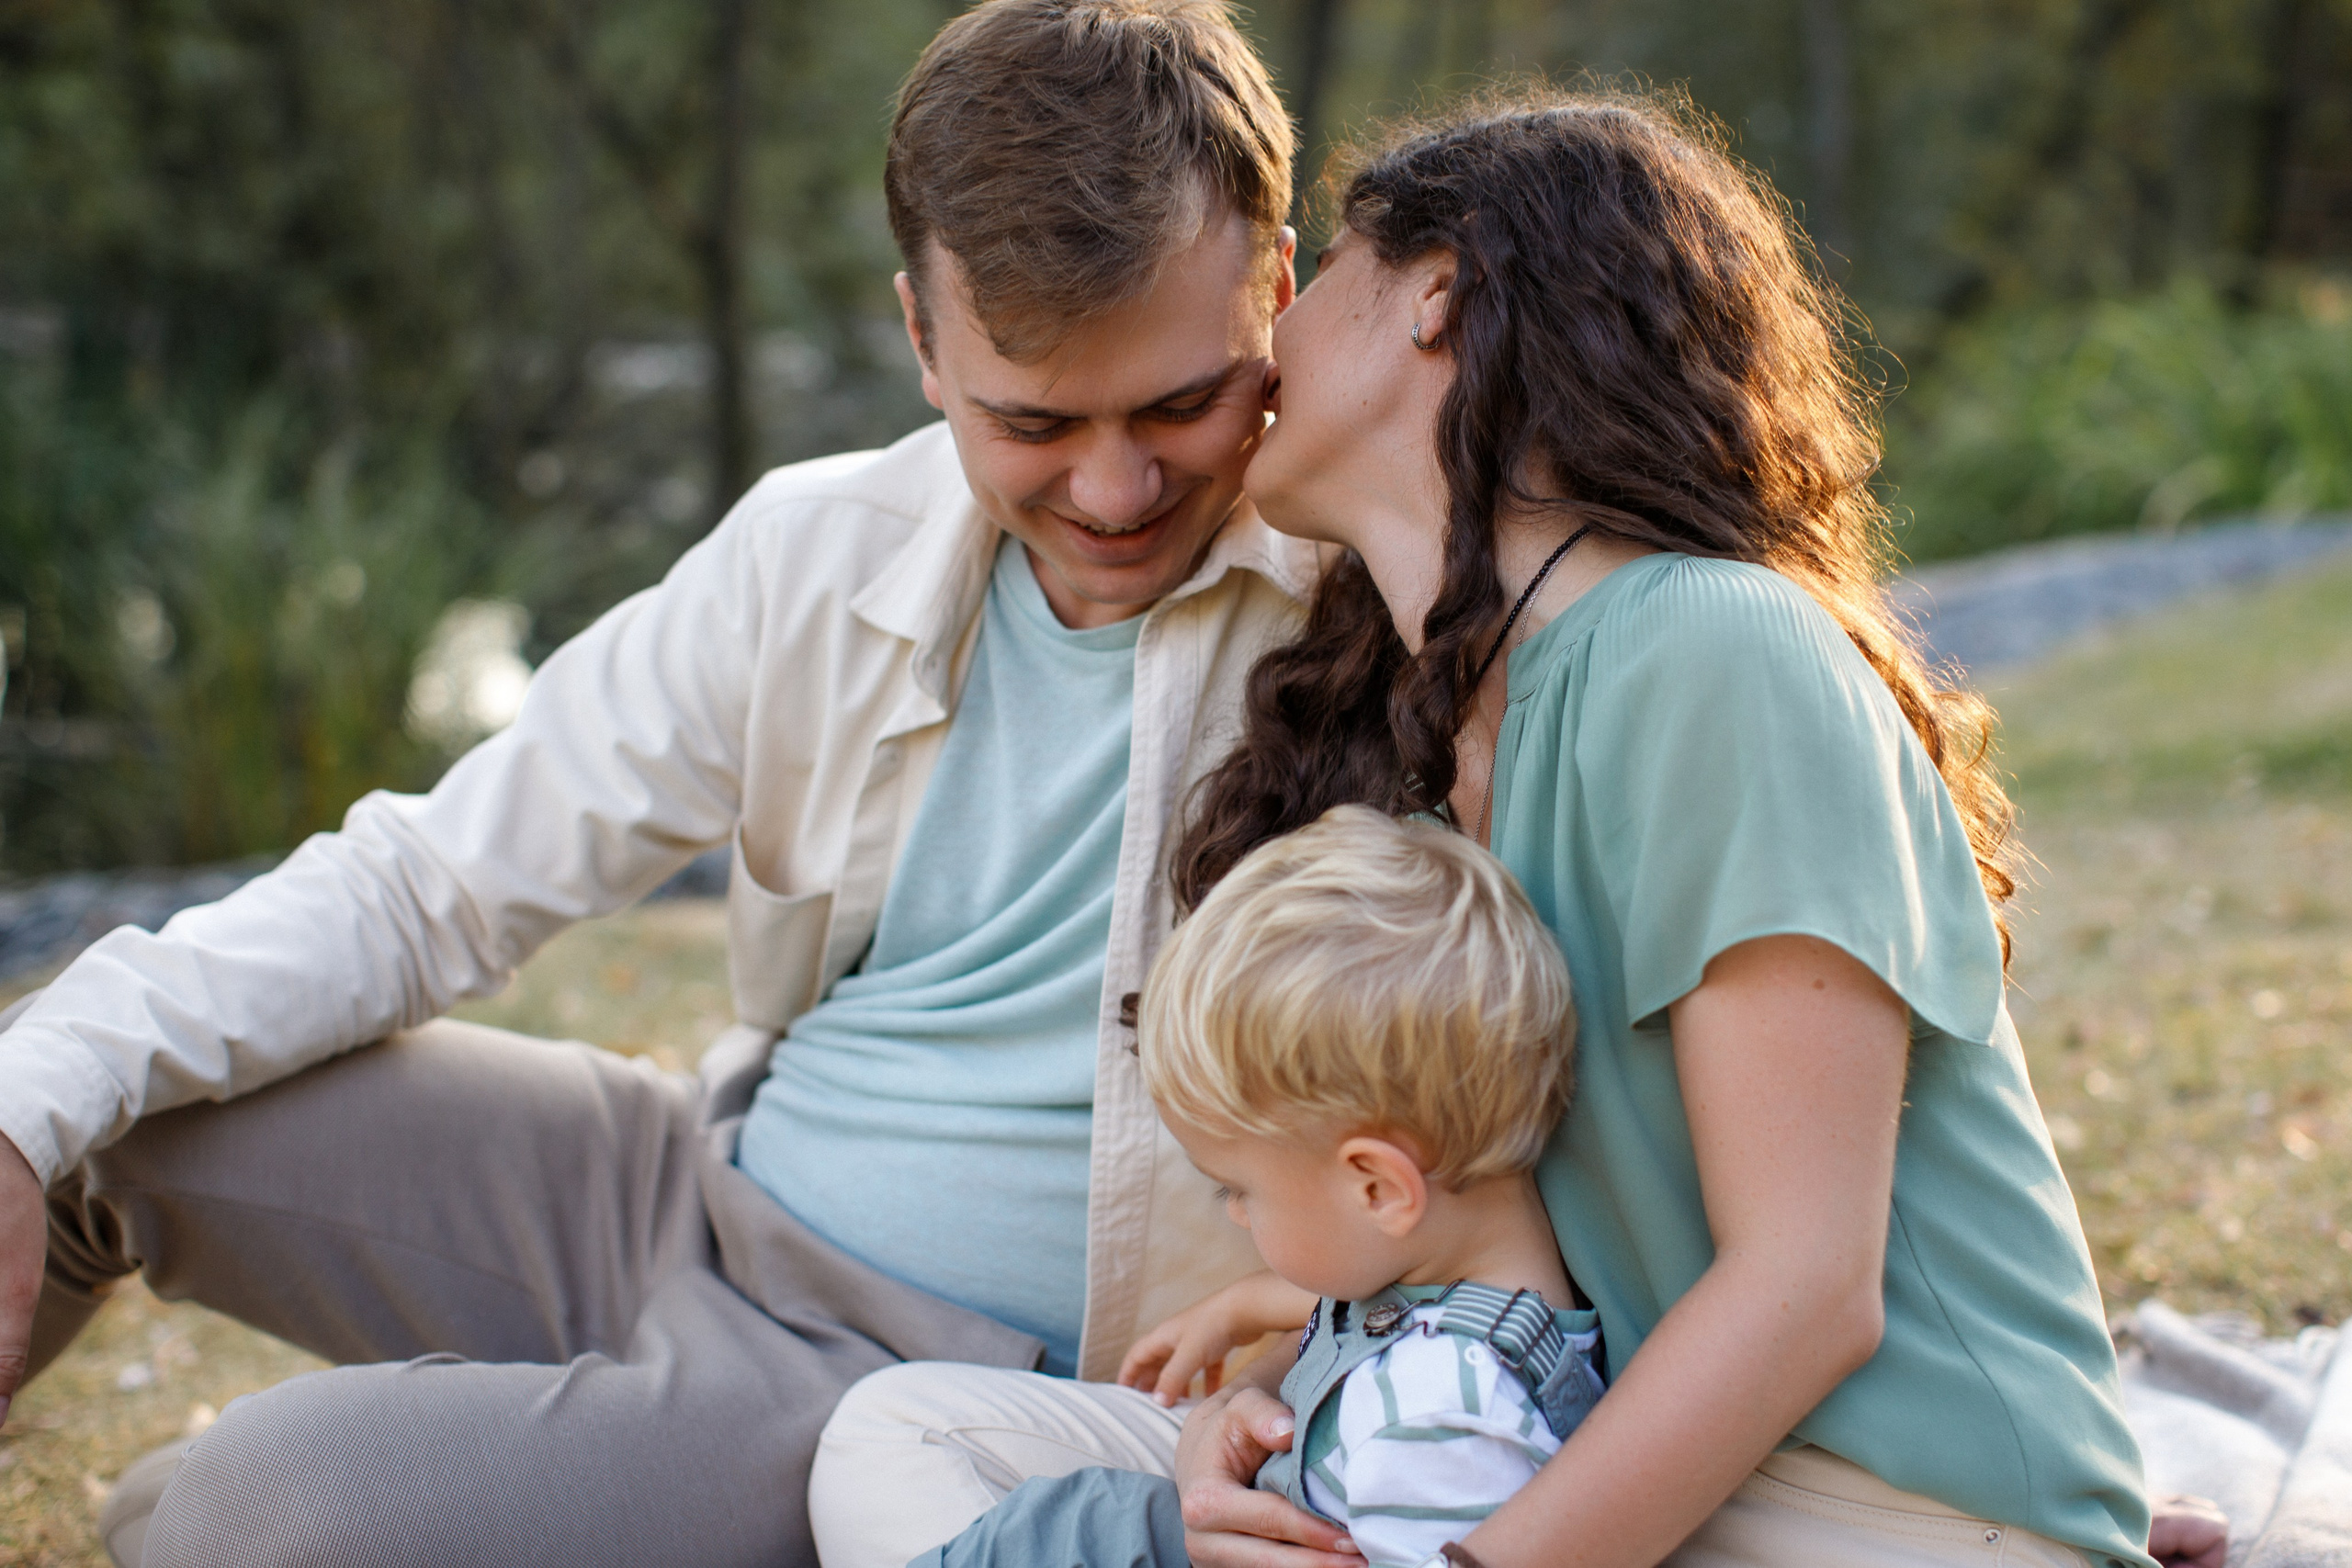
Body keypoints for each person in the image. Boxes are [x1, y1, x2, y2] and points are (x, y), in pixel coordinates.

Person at [811, 86, 2219, 1568]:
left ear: (1437, 291)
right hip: (1582, 1452)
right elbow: (1576, 1231)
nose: (1264, 343)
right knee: (910, 1444)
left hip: (1850, 1502)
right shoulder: (1436, 724)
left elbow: (1808, 1284)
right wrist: (1319, 1362)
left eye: (1323, 276)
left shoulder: (1710, 650)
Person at [0, 5, 1314, 1565]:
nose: (1113, 491)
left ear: (1278, 287)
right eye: (1030, 422)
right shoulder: (817, 548)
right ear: (918, 337)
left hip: (923, 1383)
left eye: (1179, 404)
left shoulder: (1389, 589)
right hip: (692, 1183)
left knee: (240, 1510)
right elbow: (434, 884)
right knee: (77, 1082)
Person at [1106, 807, 1607, 1568]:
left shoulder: (1436, 1425)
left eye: (1236, 1188)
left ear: (1378, 1189)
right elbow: (1399, 1314)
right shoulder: (1461, 1282)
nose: (1238, 1213)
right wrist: (1239, 1305)